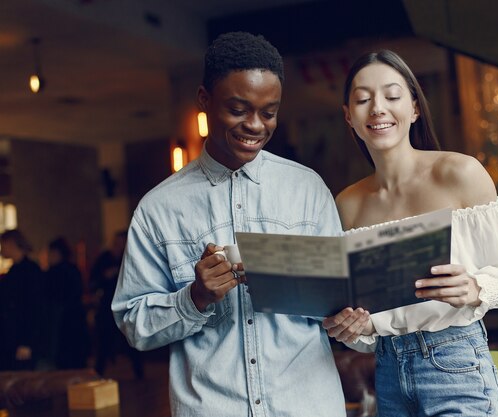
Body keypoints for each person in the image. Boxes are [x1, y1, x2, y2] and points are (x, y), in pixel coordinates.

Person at [112, 32, 346, 417]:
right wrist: (195, 298)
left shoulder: (309, 189)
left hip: (308, 405)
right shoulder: (159, 208)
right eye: (238, 109)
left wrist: (343, 307)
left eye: (268, 112)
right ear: (204, 100)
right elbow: (134, 323)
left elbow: (338, 301)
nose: (255, 125)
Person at [322, 50, 498, 417]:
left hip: (456, 362)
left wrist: (475, 287)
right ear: (348, 117)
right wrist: (352, 328)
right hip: (386, 372)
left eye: (392, 95)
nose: (377, 108)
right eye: (363, 99)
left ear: (415, 108)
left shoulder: (460, 173)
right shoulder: (347, 204)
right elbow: (367, 318)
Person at [91, 230, 144, 379]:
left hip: (128, 306)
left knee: (131, 339)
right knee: (104, 339)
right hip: (107, 305)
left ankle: (139, 372)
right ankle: (98, 373)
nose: (118, 245)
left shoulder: (131, 258)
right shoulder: (105, 258)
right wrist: (105, 276)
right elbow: (94, 279)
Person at [0, 229, 44, 371]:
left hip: (22, 338)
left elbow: (33, 308)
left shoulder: (29, 271)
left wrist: (27, 342)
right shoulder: (15, 271)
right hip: (13, 337)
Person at [45, 237, 90, 369]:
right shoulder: (72, 269)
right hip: (74, 319)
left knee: (64, 358)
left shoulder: (55, 273)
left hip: (61, 321)